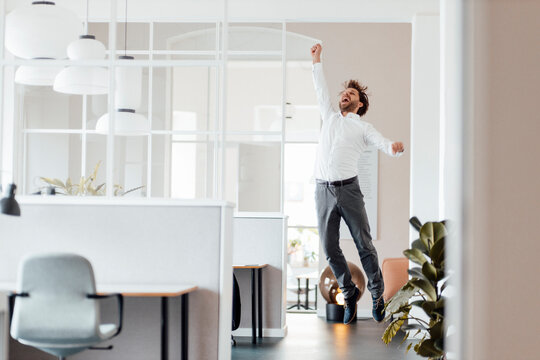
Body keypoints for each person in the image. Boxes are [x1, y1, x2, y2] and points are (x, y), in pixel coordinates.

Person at [310, 43, 404, 324]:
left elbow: (382, 143)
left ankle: (376, 293)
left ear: (359, 103)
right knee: (329, 248)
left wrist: (394, 148)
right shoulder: (327, 116)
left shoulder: (362, 127)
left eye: (351, 94)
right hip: (322, 190)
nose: (345, 95)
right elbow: (320, 89)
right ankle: (348, 293)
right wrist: (317, 60)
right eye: (343, 93)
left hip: (349, 190)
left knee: (364, 243)